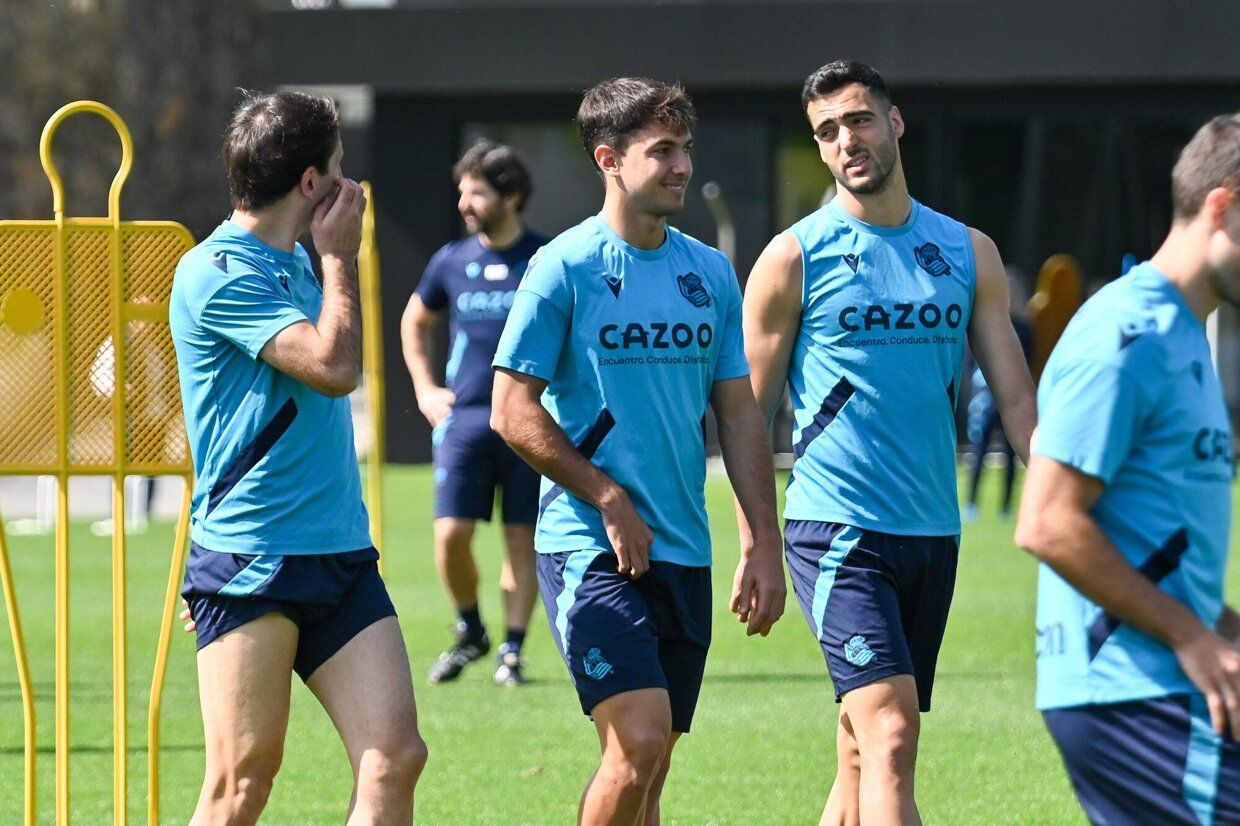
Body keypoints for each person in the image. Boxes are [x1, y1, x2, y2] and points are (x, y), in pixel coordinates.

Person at [741, 61, 1036, 824]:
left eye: (859, 120)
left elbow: (1015, 397)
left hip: (932, 530)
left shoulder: (968, 252)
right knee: (893, 733)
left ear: (894, 121)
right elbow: (747, 413)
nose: (847, 141)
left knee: (860, 743)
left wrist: (1058, 497)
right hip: (835, 530)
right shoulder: (793, 257)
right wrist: (758, 541)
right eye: (827, 132)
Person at [490, 77, 785, 825]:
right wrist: (608, 497)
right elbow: (510, 411)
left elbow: (740, 413)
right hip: (589, 546)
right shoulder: (563, 266)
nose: (682, 166)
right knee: (639, 743)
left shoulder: (711, 272)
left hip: (683, 548)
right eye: (662, 151)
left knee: (647, 777)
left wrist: (762, 539)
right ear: (609, 159)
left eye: (685, 148)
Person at [170, 91, 426, 824]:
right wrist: (340, 256)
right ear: (312, 184)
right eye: (341, 170)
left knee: (395, 757)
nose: (352, 188)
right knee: (243, 781)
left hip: (339, 554)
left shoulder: (299, 263)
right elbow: (333, 366)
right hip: (254, 559)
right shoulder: (218, 268)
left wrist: (326, 262)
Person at [1016, 113, 1240, 825]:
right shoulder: (1127, 333)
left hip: (1164, 684)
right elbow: (1048, 522)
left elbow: (1154, 540)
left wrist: (1222, 626)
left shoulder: (1182, 333)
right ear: (1223, 207)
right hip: (1131, 693)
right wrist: (1191, 635)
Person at [400, 140, 548, 686]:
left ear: (510, 196)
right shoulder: (450, 260)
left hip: (530, 422)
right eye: (461, 190)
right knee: (451, 535)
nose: (464, 202)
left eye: (477, 191)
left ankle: (512, 651)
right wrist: (424, 389)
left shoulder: (545, 259)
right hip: (465, 421)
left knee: (520, 539)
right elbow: (414, 322)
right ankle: (471, 630)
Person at [962, 271, 1033, 521]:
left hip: (1009, 398)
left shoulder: (1024, 329)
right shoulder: (978, 323)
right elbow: (971, 361)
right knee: (978, 449)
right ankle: (971, 503)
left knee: (1010, 454)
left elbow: (1027, 364)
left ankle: (1006, 505)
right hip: (983, 397)